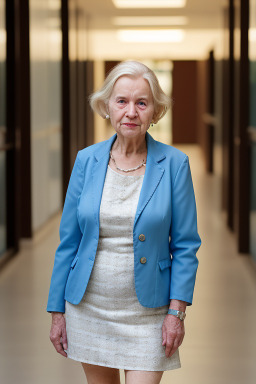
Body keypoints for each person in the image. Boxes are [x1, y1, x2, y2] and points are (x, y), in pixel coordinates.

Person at [47, 60, 202, 384]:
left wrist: (176, 313)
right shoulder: (87, 160)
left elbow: (186, 246)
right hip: (89, 310)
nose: (131, 111)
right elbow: (69, 241)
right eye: (122, 101)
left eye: (141, 103)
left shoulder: (174, 164)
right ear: (107, 107)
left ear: (155, 112)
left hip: (148, 314)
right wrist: (56, 311)